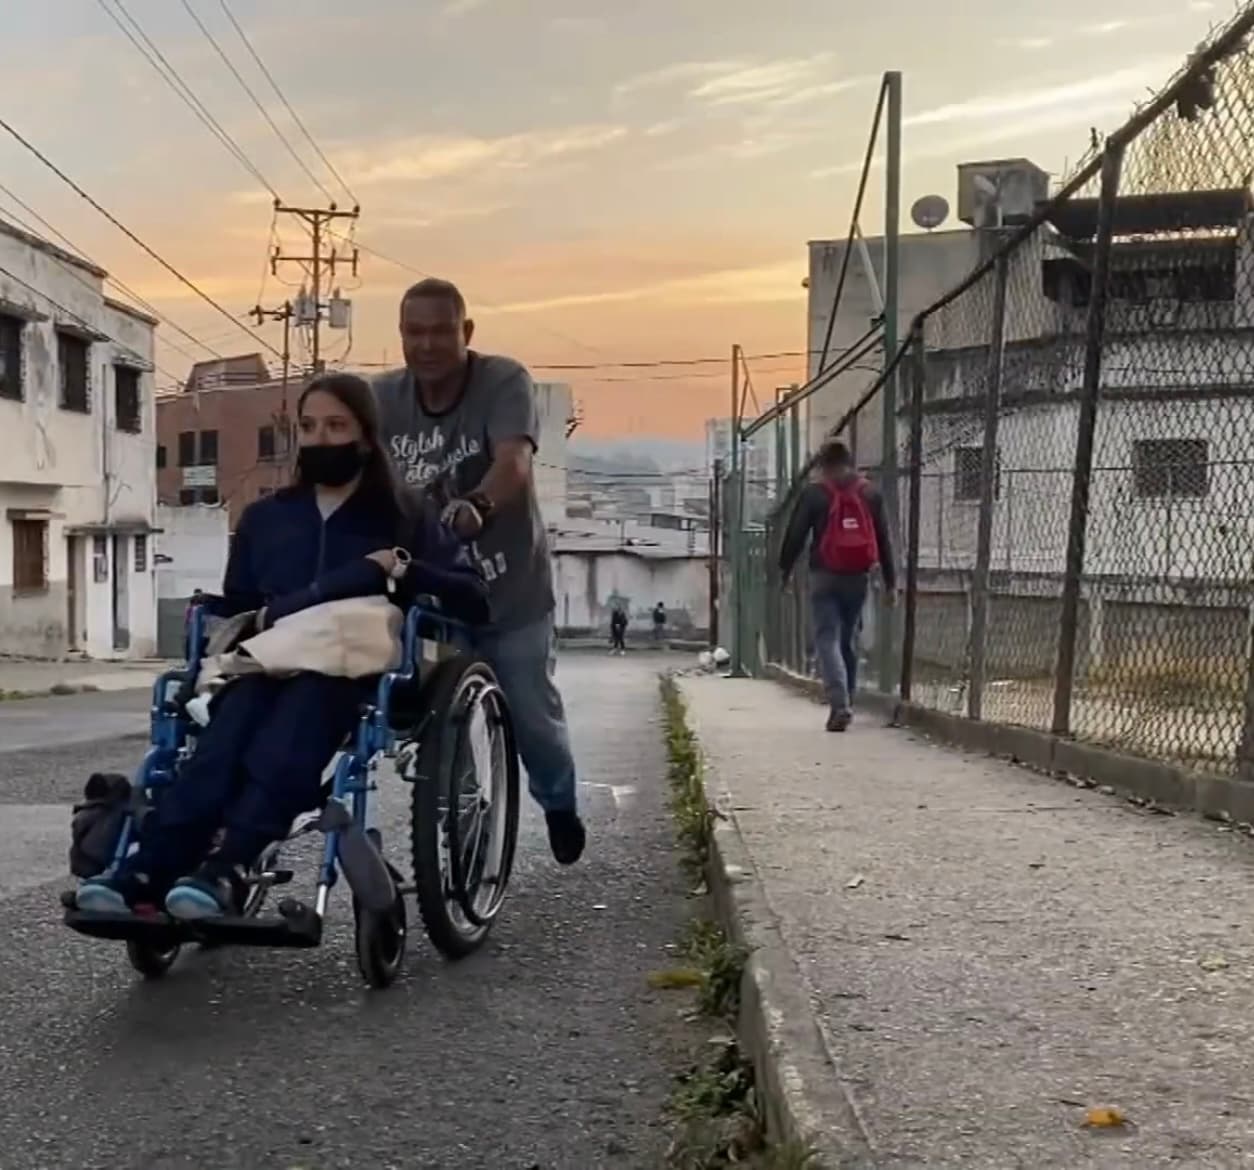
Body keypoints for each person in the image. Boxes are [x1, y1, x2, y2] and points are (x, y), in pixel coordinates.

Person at [76, 373, 488, 919]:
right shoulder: (267, 519)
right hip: (265, 661)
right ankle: (150, 866)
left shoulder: (404, 515)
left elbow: (472, 598)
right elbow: (240, 602)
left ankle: (231, 864)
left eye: (336, 426)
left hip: (348, 670)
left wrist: (402, 571)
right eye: (309, 426)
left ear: (366, 437)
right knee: (222, 742)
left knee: (292, 730)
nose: (321, 439)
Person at [373, 277, 587, 866]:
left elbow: (513, 461)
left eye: (441, 331)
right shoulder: (383, 400)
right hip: (435, 600)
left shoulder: (502, 380)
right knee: (434, 717)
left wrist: (477, 507)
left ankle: (560, 802)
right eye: (414, 332)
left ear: (465, 333)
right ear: (400, 336)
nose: (427, 345)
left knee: (533, 717)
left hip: (509, 593)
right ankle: (460, 828)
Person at [778, 439, 896, 733]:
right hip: (858, 576)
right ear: (849, 462)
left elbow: (795, 535)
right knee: (848, 640)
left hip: (823, 576)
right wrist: (892, 583)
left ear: (824, 465)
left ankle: (839, 705)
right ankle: (848, 701)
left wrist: (784, 571)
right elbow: (883, 540)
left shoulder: (815, 493)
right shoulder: (870, 492)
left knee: (827, 638)